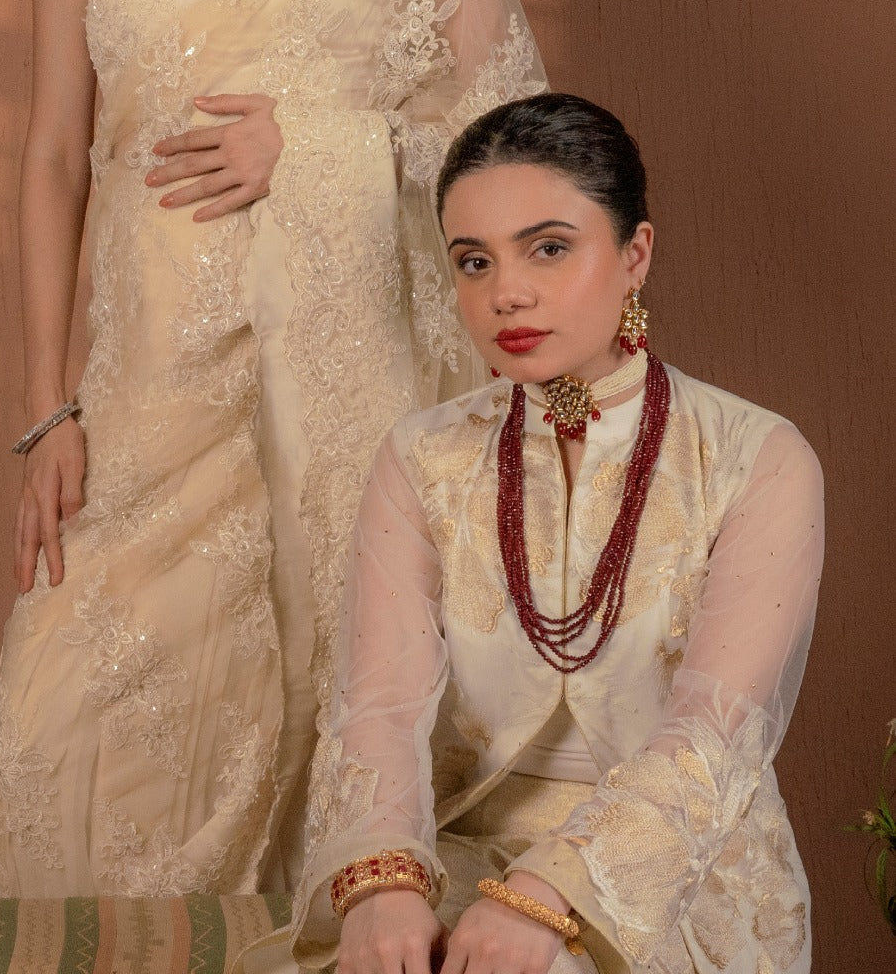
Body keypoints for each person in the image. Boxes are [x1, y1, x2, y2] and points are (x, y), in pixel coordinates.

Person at [0, 0, 545, 899]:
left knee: (329, 769)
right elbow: (54, 154)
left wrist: (325, 147)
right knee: (48, 753)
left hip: (338, 416)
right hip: (144, 407)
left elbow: (514, 160)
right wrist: (48, 409)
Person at [288, 93, 823, 974]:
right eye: (474, 261)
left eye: (548, 247)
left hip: (675, 879)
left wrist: (547, 896)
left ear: (635, 254)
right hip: (457, 854)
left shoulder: (756, 457)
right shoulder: (422, 457)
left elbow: (711, 736)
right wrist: (383, 888)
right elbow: (378, 707)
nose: (507, 293)